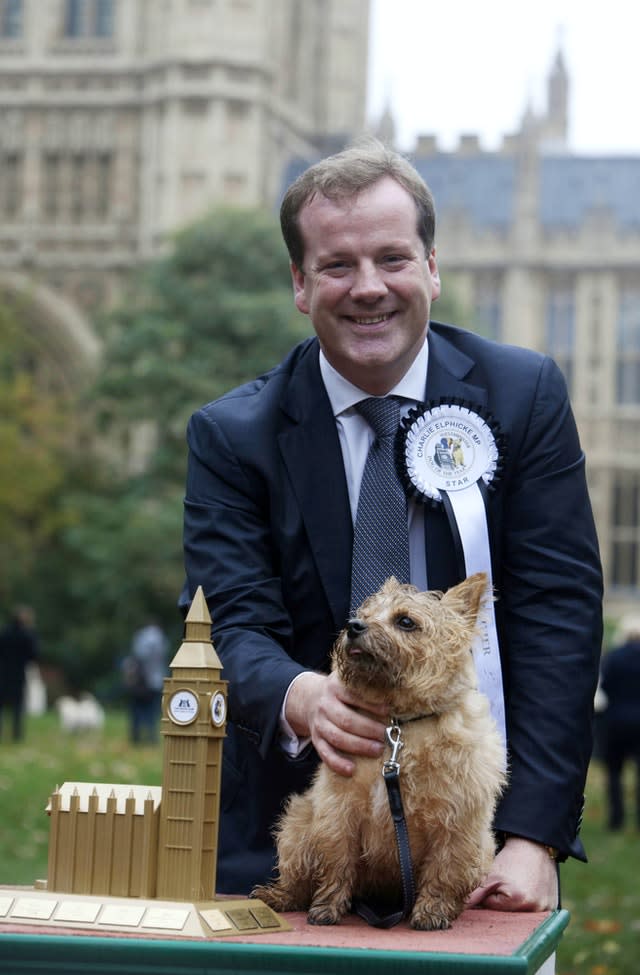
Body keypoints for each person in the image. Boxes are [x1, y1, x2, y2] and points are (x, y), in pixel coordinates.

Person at [180, 140, 603, 911]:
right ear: (300, 285)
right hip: (296, 847)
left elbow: (558, 622)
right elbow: (226, 623)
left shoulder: (526, 397)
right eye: (338, 265)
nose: (369, 287)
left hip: (473, 853)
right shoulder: (228, 435)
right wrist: (300, 694)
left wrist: (533, 839)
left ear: (433, 268)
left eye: (393, 258)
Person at [600, 616, 640, 830]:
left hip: (616, 721)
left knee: (614, 772)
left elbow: (605, 685)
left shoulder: (614, 657)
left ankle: (617, 819)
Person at [123, 620, 169, 744]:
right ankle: (151, 738)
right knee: (152, 711)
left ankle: (136, 737)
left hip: (140, 681)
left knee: (137, 710)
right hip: (156, 681)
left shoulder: (141, 637)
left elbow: (136, 657)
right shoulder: (162, 639)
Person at [0, 605, 39, 742]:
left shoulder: (5, 632)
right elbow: (33, 655)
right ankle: (17, 735)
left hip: (3, 672)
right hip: (18, 673)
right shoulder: (27, 634)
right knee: (18, 705)